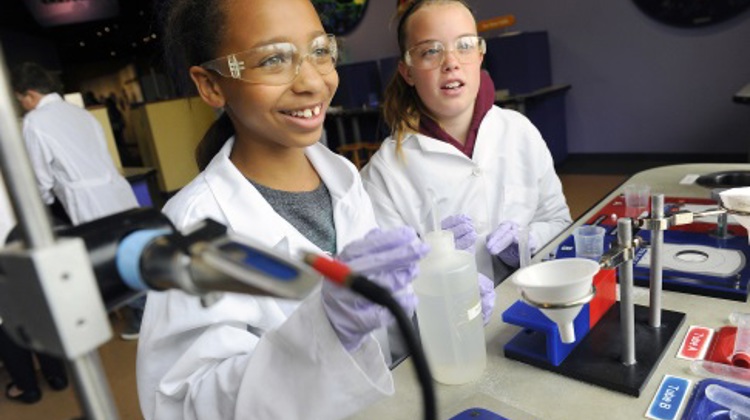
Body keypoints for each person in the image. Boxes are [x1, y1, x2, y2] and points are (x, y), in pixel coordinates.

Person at [137, 0, 428, 419]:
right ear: (212, 85)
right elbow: (185, 406)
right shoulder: (191, 231)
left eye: (319, 51)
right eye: (274, 59)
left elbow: (378, 335)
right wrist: (324, 331)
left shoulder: (343, 176)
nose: (312, 81)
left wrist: (435, 301)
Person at [361, 0, 572, 285]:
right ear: (407, 72)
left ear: (480, 55)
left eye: (464, 45)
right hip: (449, 326)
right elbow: (387, 284)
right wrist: (435, 265)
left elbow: (559, 222)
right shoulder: (384, 175)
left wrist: (529, 241)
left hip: (531, 305)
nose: (451, 63)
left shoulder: (520, 132)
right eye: (430, 51)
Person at [11, 64, 143, 341]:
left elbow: (40, 176)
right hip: (115, 190)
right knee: (130, 247)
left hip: (87, 199)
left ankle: (139, 316)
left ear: (30, 95)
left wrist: (43, 201)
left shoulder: (35, 122)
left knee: (110, 256)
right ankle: (151, 307)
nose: (22, 106)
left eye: (20, 99)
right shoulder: (80, 113)